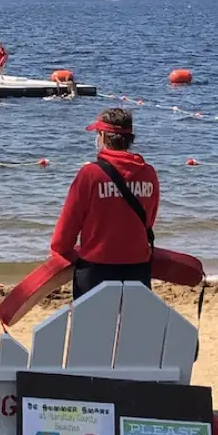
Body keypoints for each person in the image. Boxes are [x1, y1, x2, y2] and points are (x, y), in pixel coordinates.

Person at [49, 108, 159, 300]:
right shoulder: (148, 173)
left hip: (96, 269)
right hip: (138, 267)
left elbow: (68, 224)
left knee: (92, 328)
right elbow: (149, 219)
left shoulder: (90, 175)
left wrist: (60, 253)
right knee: (133, 328)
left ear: (101, 136)